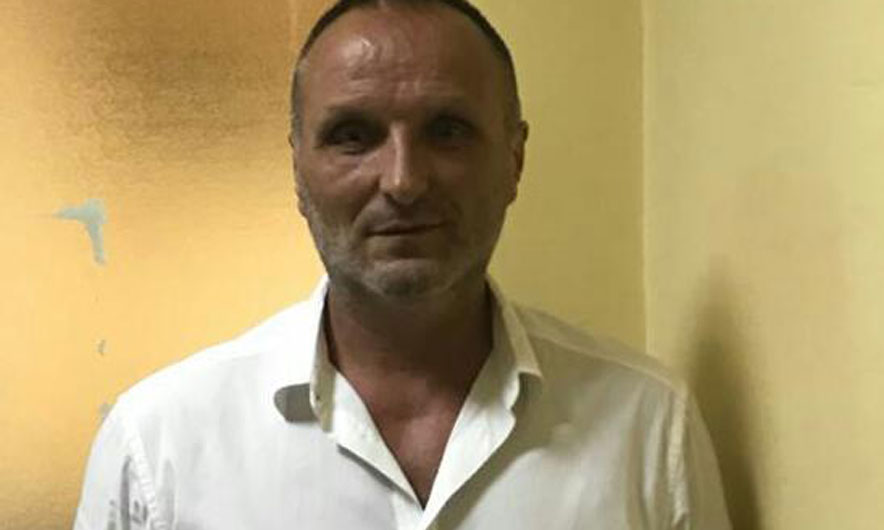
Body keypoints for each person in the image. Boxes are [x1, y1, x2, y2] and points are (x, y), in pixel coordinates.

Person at [74, 0, 731, 528]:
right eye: (353, 136)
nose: (403, 181)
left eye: (447, 130)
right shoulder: (158, 446)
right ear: (299, 170)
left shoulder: (648, 428)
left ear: (514, 159)